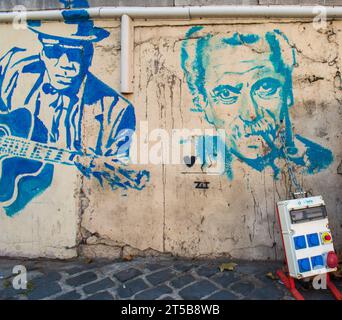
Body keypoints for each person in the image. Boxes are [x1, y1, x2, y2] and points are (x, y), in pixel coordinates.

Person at [0, 6, 149, 215]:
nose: (64, 64)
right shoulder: (13, 71)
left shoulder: (115, 111)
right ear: (42, 51)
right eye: (54, 52)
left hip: (73, 211)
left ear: (88, 56)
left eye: (73, 53)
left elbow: (117, 171)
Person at [181, 26, 333, 180]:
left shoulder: (318, 164)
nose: (250, 114)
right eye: (226, 94)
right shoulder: (195, 168)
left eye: (265, 87)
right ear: (202, 102)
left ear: (288, 93)